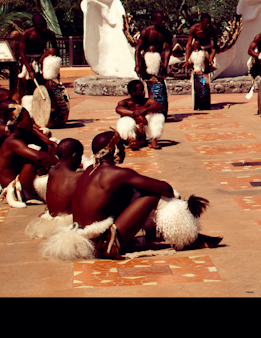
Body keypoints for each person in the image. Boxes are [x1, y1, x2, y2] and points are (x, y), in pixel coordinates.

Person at [40, 131, 221, 260]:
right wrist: (176, 201)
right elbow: (165, 188)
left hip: (83, 238)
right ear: (112, 150)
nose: (124, 149)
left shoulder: (90, 170)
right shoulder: (115, 173)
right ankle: (186, 238)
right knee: (151, 195)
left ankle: (154, 233)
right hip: (103, 244)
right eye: (120, 146)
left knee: (130, 193)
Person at [0, 104, 59, 207]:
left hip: (22, 180)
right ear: (17, 123)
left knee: (47, 149)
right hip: (16, 188)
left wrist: (50, 143)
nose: (32, 121)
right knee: (34, 159)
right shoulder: (12, 142)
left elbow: (48, 144)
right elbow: (38, 157)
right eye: (28, 119)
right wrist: (61, 162)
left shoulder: (24, 133)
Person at [25, 139, 84, 240]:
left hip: (51, 219)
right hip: (67, 223)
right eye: (80, 156)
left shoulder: (52, 171)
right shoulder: (78, 176)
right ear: (74, 156)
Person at [115, 79, 167, 150]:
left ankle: (153, 140)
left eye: (144, 90)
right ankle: (131, 140)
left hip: (145, 131)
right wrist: (135, 114)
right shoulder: (126, 102)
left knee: (158, 117)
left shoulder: (146, 101)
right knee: (124, 120)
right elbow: (118, 109)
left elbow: (159, 105)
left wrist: (145, 109)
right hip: (133, 131)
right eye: (141, 90)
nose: (144, 92)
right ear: (132, 92)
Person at [19, 14, 60, 94]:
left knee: (52, 50)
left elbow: (56, 51)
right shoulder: (26, 34)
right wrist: (30, 70)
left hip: (41, 57)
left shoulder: (49, 34)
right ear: (35, 25)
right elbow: (22, 52)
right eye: (41, 26)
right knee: (28, 87)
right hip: (28, 59)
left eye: (45, 25)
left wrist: (56, 70)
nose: (44, 28)